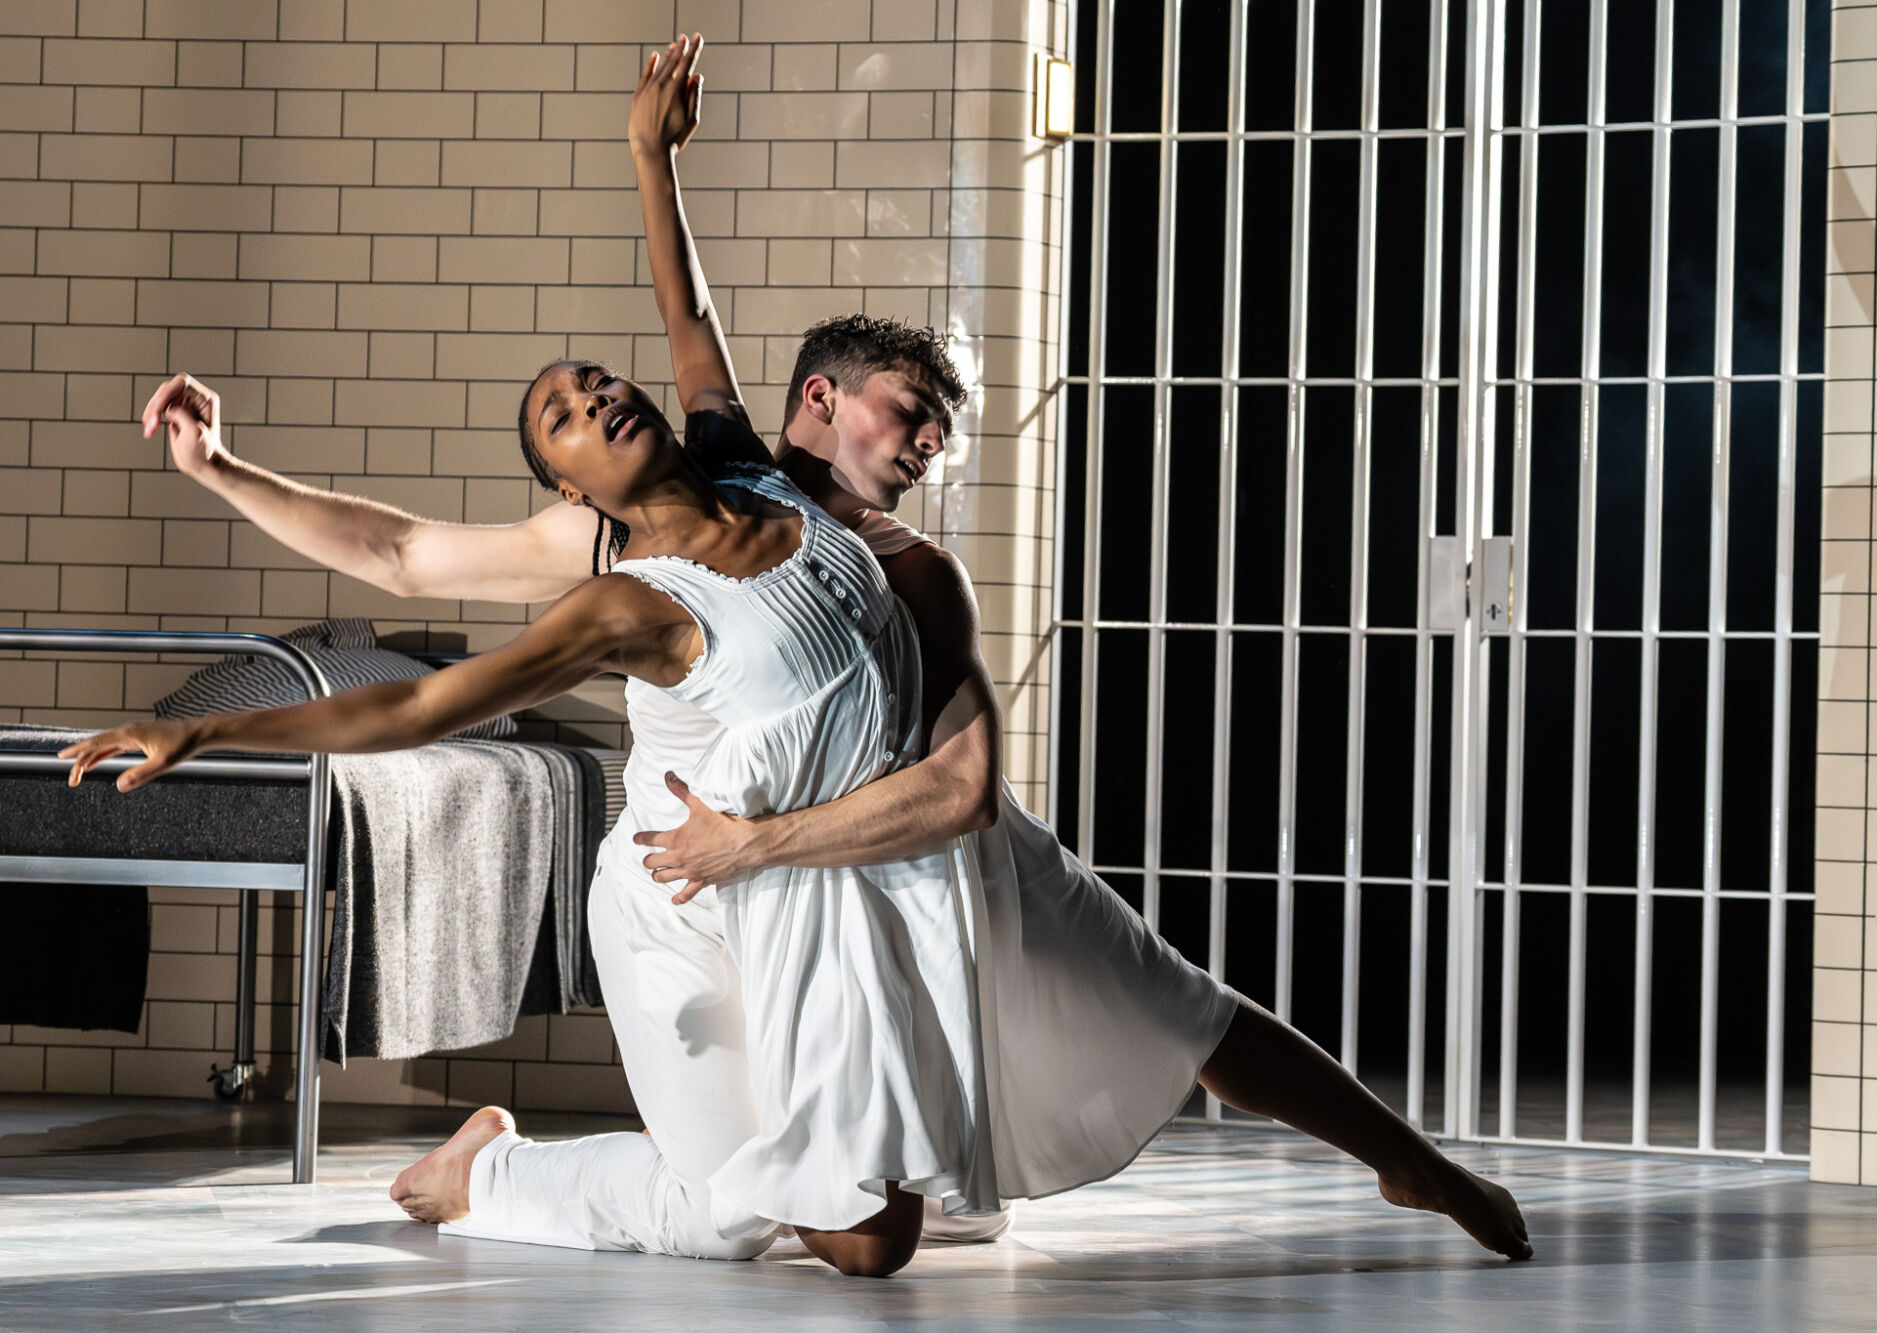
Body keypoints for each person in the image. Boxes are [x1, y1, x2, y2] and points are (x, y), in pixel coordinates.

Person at [106, 36, 1534, 1276]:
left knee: (1165, 1010)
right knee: (764, 1215)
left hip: (852, 854)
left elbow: (692, 333)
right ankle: (496, 1172)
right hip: (703, 886)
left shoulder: (801, 500)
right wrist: (217, 546)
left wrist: (651, 166)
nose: (596, 398)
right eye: (905, 413)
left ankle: (1406, 1156)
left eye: (593, 385)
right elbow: (418, 620)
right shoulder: (619, 578)